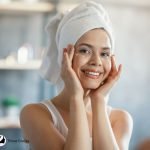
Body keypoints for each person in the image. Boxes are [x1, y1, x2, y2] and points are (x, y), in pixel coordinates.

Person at [20, 1, 133, 150]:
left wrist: (98, 100)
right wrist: (76, 97)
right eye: (85, 50)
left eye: (104, 53)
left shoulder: (120, 120)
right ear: (64, 56)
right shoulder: (35, 114)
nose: (96, 61)